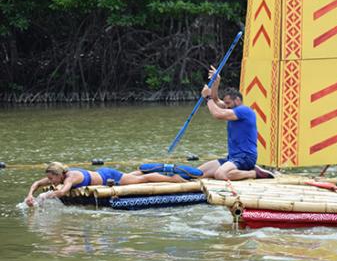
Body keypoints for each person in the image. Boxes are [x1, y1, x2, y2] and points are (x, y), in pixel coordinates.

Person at [197, 66, 274, 180]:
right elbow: (217, 101)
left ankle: (254, 173)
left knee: (220, 174)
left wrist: (207, 97)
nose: (225, 105)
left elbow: (217, 114)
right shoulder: (232, 109)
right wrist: (216, 82)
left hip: (246, 157)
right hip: (232, 158)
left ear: (237, 100)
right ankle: (237, 170)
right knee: (199, 172)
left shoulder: (244, 111)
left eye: (228, 103)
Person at [24, 161, 187, 207]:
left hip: (108, 175)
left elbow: (61, 192)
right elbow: (37, 183)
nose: (51, 182)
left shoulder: (69, 178)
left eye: (51, 179)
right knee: (131, 177)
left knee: (139, 181)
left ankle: (172, 178)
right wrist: (30, 195)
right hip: (103, 174)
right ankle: (143, 170)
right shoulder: (58, 176)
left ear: (58, 175)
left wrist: (44, 196)